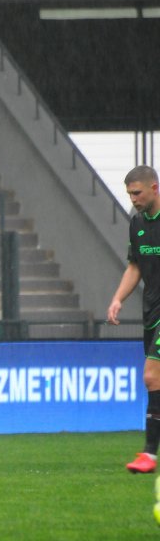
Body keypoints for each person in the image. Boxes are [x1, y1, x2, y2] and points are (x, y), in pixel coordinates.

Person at [108, 165, 160, 474]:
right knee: (157, 382)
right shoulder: (137, 223)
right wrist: (117, 299)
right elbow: (135, 268)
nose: (133, 199)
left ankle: (148, 455)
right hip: (151, 311)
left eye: (137, 193)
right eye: (129, 194)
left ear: (155, 187)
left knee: (151, 376)